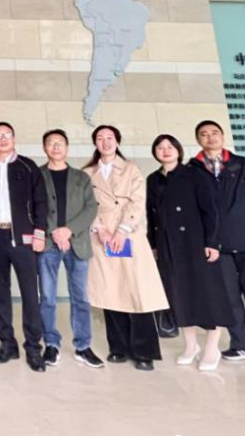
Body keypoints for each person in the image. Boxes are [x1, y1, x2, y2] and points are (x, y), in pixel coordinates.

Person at [189, 119, 245, 369]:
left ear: (222, 136)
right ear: (198, 140)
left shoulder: (242, 164)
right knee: (229, 297)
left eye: (214, 132)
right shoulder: (193, 169)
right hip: (216, 244)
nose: (210, 137)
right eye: (204, 134)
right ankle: (240, 344)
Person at [83, 125, 168, 371]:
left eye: (110, 137)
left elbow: (138, 202)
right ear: (95, 143)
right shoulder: (87, 173)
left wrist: (121, 231)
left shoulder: (131, 169)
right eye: (100, 138)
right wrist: (100, 228)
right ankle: (118, 347)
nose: (105, 142)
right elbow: (85, 204)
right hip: (101, 238)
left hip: (129, 235)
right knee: (110, 291)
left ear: (117, 141)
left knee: (137, 292)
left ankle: (144, 352)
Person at [147, 134, 232, 372]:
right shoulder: (153, 179)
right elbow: (151, 214)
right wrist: (153, 244)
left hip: (196, 243)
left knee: (209, 294)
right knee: (179, 295)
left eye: (170, 146)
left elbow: (211, 211)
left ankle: (212, 347)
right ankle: (191, 345)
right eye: (160, 147)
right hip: (168, 245)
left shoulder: (195, 174)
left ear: (178, 150)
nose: (165, 150)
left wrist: (212, 242)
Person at [0, 121, 48, 372]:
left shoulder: (27, 166)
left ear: (14, 138)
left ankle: (33, 347)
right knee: (0, 293)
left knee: (30, 294)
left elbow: (41, 202)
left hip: (23, 238)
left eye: (7, 134)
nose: (3, 139)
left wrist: (39, 232)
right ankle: (7, 344)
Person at [37, 129, 103, 368]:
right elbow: (34, 207)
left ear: (67, 147)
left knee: (80, 298)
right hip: (48, 244)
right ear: (44, 148)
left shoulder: (81, 177)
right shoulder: (37, 175)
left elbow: (91, 208)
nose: (56, 147)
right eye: (51, 143)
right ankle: (51, 344)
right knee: (47, 296)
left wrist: (68, 230)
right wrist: (56, 232)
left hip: (78, 244)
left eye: (60, 143)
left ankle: (83, 346)